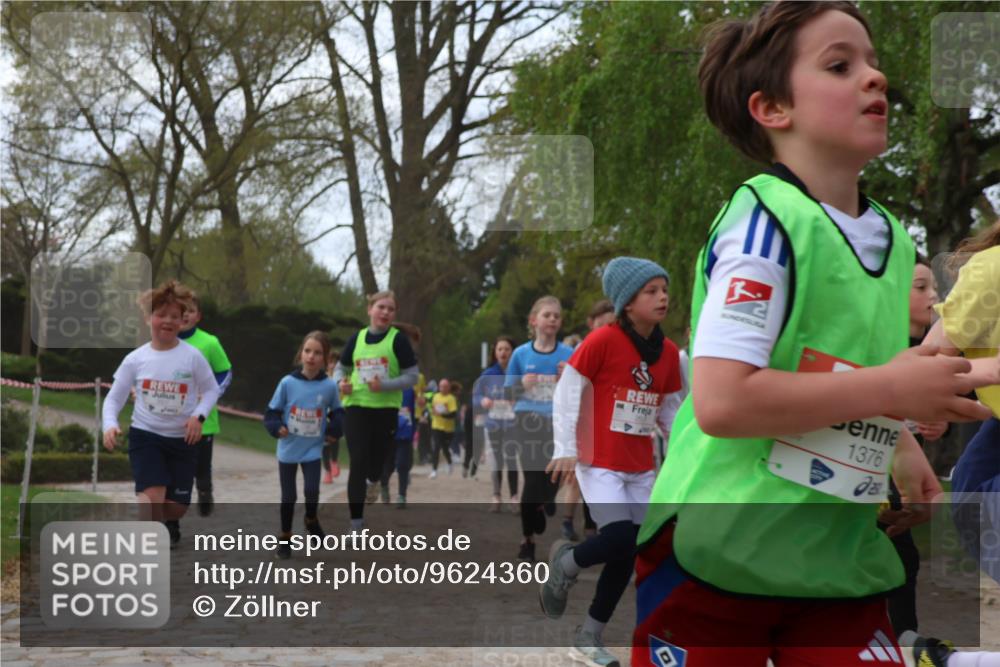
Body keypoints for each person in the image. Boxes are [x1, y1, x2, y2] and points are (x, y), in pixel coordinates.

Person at [631, 4, 993, 665]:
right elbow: (722, 402)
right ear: (772, 109)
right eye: (840, 64)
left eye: (873, 61)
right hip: (718, 551)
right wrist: (894, 386)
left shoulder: (888, 236)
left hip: (834, 560)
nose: (876, 77)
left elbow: (839, 371)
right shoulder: (765, 223)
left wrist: (900, 441)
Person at [543, 258, 684, 667]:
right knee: (622, 538)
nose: (662, 297)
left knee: (631, 552)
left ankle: (589, 635)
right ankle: (567, 562)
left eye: (664, 289)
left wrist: (683, 458)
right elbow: (568, 392)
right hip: (598, 460)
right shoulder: (602, 341)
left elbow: (670, 412)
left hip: (639, 466)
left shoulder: (669, 353)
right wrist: (564, 447)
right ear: (627, 303)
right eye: (651, 291)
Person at [102, 281, 220, 548]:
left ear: (182, 321)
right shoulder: (135, 359)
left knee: (176, 508)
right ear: (148, 318)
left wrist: (198, 416)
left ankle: (158, 521)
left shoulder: (192, 357)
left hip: (182, 441)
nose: (167, 321)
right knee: (152, 497)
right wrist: (109, 424)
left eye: (175, 316)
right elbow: (115, 397)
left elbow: (211, 391)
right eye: (161, 315)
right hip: (146, 436)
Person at [335, 291, 419, 530]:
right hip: (356, 407)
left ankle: (374, 481)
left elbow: (412, 377)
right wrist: (341, 384)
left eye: (390, 309)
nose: (385, 313)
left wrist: (385, 385)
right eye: (381, 307)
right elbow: (340, 369)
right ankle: (356, 523)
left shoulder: (397, 341)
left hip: (385, 410)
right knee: (358, 461)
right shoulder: (357, 338)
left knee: (377, 464)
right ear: (369, 309)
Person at [505, 295, 574, 562]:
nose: (553, 320)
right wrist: (523, 384)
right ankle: (527, 541)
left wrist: (569, 376)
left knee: (552, 477)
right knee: (533, 478)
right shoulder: (521, 354)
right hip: (527, 419)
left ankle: (545, 500)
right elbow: (508, 391)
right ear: (534, 320)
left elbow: (582, 389)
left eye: (557, 316)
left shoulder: (568, 355)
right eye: (547, 315)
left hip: (557, 421)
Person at [263, 332, 342, 559]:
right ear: (301, 353)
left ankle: (311, 519)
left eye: (318, 353)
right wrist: (277, 427)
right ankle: (286, 538)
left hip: (312, 448)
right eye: (307, 351)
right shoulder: (287, 383)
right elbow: (271, 413)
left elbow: (338, 413)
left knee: (311, 490)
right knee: (289, 497)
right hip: (288, 448)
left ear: (326, 359)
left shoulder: (329, 386)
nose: (311, 356)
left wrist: (335, 431)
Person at [562, 299, 616, 541]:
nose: (607, 330)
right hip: (584, 422)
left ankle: (592, 527)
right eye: (602, 325)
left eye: (612, 325)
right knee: (579, 477)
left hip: (607, 424)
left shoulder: (618, 348)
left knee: (599, 478)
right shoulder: (584, 349)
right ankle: (569, 520)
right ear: (590, 323)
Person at [179, 293, 233, 516]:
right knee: (179, 472)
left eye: (190, 311)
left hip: (204, 421)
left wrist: (211, 394)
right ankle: (173, 523)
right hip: (174, 419)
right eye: (180, 310)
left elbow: (225, 372)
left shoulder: (209, 343)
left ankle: (204, 490)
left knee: (201, 467)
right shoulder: (163, 341)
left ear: (198, 316)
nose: (184, 315)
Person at [474, 336, 519, 513]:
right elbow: (476, 396)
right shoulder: (487, 374)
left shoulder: (518, 373)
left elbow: (528, 394)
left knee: (511, 459)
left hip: (512, 423)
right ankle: (496, 495)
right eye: (500, 349)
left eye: (507, 349)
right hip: (493, 423)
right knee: (497, 461)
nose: (503, 352)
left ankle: (514, 497)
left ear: (512, 352)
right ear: (494, 353)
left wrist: (519, 401)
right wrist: (483, 400)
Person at [429, 378, 459, 479]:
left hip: (448, 429)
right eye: (441, 386)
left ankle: (450, 463)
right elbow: (433, 408)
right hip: (436, 426)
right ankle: (434, 470)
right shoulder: (435, 396)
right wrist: (433, 412)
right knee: (436, 448)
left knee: (445, 448)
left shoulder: (451, 398)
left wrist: (442, 414)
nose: (443, 388)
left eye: (445, 386)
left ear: (449, 388)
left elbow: (453, 414)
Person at [322, 353, 343, 484]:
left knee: (334, 438)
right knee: (324, 443)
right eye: (330, 362)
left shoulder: (341, 378)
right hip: (323, 412)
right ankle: (327, 472)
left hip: (336, 412)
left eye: (335, 362)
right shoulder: (323, 377)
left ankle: (334, 461)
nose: (332, 365)